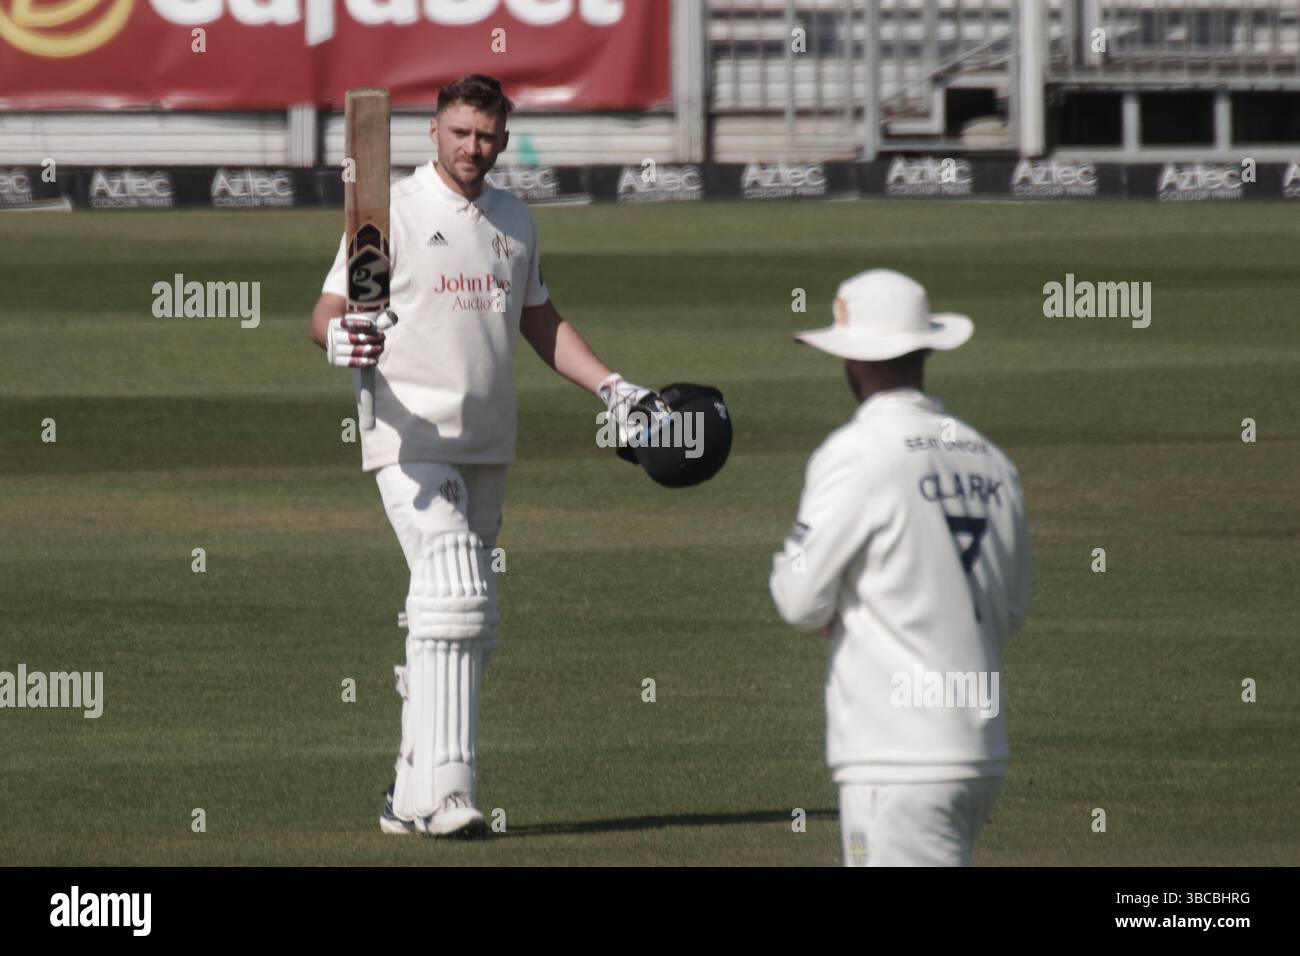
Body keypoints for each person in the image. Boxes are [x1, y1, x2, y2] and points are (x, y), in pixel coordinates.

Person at [309, 74, 654, 837]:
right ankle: (451, 795)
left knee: (464, 617)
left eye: (487, 136)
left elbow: (541, 322)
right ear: (434, 129)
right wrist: (336, 336)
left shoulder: (514, 220)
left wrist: (613, 388)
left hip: (488, 442)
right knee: (455, 591)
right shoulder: (390, 210)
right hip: (409, 434)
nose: (474, 148)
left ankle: (406, 793)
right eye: (461, 132)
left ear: (502, 136)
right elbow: (332, 307)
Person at [769, 269, 1031, 866]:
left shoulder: (857, 452)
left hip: (898, 754)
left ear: (854, 361)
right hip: (978, 753)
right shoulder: (990, 458)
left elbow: (798, 598)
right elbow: (1010, 609)